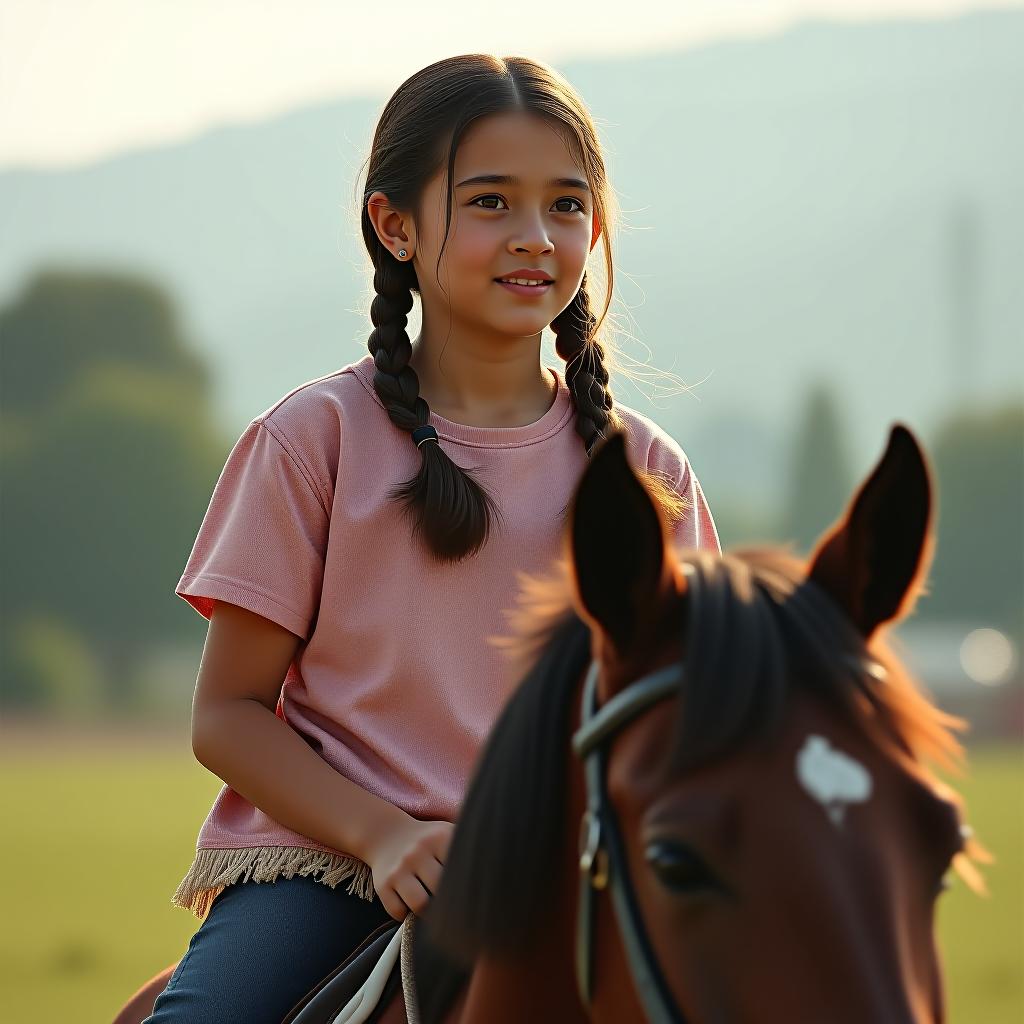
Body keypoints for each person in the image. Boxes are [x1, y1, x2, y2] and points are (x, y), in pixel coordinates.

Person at [143, 53, 721, 1024]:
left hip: (573, 886)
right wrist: (383, 835)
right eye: (491, 202)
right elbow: (227, 713)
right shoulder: (311, 440)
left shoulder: (647, 476)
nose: (535, 238)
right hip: (330, 872)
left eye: (567, 206)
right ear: (394, 224)